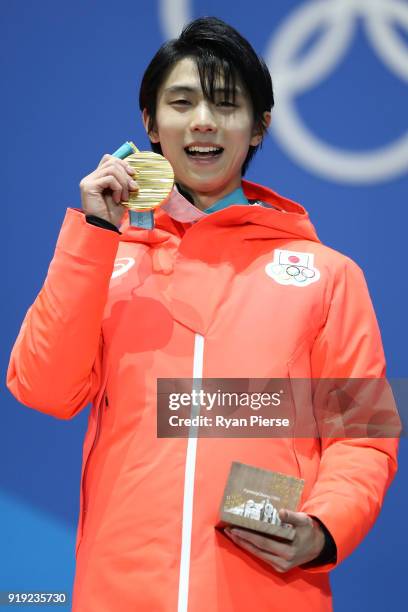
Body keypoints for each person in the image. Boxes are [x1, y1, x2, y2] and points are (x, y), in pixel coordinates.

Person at [6, 16, 398, 612]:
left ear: (259, 126)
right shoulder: (104, 260)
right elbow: (42, 389)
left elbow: (364, 439)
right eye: (182, 102)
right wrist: (93, 236)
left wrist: (322, 528)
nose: (204, 121)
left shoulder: (329, 275)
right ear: (150, 125)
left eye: (226, 104)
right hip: (118, 593)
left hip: (269, 593)